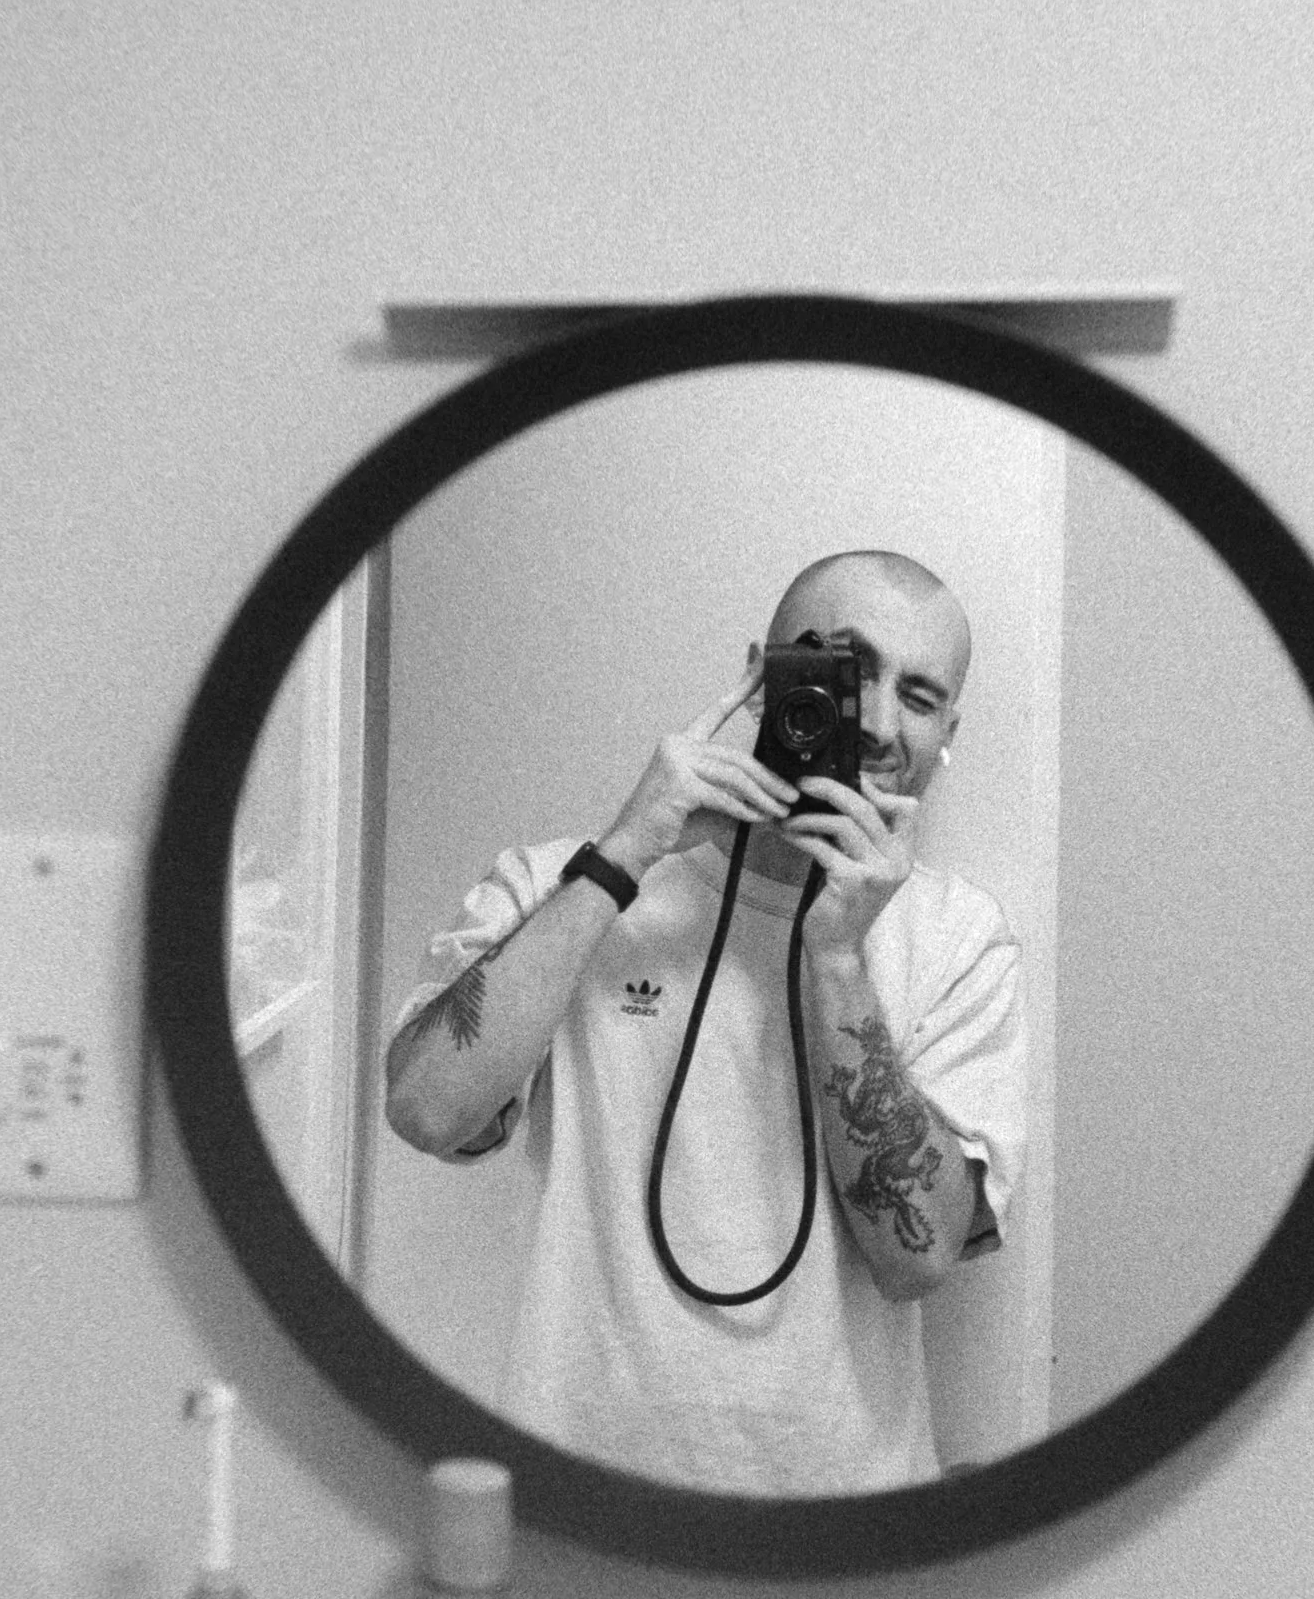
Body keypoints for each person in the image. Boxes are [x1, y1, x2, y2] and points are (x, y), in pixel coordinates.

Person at [383, 550, 1026, 1495]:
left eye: (921, 696)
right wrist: (627, 853)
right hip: (581, 1493)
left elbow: (919, 1255)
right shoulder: (564, 883)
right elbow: (427, 1110)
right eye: (846, 671)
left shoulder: (959, 938)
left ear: (947, 735)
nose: (881, 723)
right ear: (765, 675)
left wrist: (838, 956)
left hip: (846, 1510)